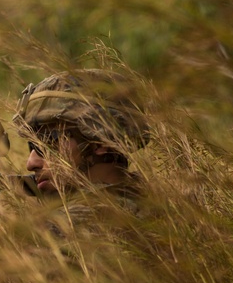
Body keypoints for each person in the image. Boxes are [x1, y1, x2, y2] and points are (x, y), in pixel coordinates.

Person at [13, 69, 150, 198]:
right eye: (33, 145)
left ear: (100, 142)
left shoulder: (72, 221)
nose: (31, 163)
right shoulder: (154, 201)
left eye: (48, 141)